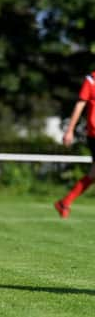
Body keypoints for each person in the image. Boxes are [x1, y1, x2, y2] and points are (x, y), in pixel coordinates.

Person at [54, 71, 95, 219]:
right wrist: (70, 130)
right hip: (94, 134)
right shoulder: (91, 80)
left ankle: (64, 202)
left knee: (93, 174)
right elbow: (80, 105)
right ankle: (64, 202)